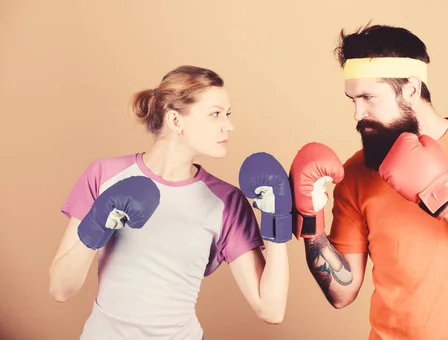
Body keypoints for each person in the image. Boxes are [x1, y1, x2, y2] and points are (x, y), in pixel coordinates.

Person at [289, 24, 448, 340]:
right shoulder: (356, 172)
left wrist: (443, 197)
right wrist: (312, 225)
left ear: (411, 90)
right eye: (352, 99)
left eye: (368, 97)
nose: (357, 114)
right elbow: (342, 293)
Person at [48, 65, 293, 340]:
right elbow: (60, 289)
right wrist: (96, 223)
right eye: (215, 114)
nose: (229, 125)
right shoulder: (104, 175)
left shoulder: (227, 201)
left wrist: (278, 220)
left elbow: (271, 311)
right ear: (175, 121)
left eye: (228, 114)